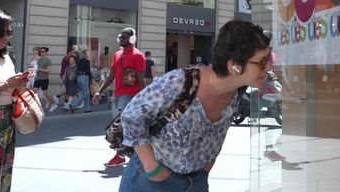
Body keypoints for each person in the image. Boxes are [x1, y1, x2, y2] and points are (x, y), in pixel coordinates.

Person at [118, 20, 272, 192]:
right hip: (152, 181)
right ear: (234, 65)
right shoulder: (181, 82)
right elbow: (131, 116)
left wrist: (208, 161)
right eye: (262, 61)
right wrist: (152, 167)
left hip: (196, 180)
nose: (269, 66)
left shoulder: (237, 89)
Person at [0, 10, 31, 192]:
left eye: (9, 32)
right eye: (1, 33)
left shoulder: (6, 58)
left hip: (6, 120)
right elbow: (3, 86)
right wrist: (6, 86)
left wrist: (19, 84)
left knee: (4, 169)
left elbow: (11, 88)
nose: (6, 37)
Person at [92, 27, 145, 167]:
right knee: (120, 127)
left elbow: (140, 78)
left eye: (124, 37)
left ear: (132, 39)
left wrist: (144, 98)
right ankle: (132, 154)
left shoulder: (138, 56)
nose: (121, 39)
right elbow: (111, 76)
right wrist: (99, 91)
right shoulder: (116, 55)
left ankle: (122, 155)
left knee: (122, 127)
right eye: (120, 37)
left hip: (130, 96)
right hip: (117, 95)